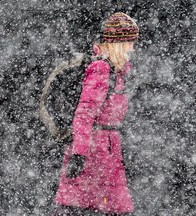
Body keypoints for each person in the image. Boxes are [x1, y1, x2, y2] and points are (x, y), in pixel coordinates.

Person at [54, 12, 139, 215]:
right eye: (130, 42)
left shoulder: (117, 72)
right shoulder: (101, 68)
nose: (132, 48)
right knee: (92, 207)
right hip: (94, 152)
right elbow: (84, 113)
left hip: (107, 150)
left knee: (105, 207)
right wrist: (79, 153)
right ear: (118, 43)